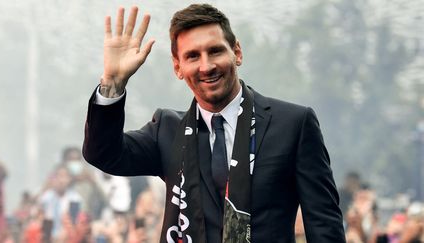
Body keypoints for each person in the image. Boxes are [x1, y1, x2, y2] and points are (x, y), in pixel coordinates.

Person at [82, 3, 346, 242]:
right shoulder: (167, 130)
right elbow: (103, 154)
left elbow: (324, 226)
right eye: (193, 56)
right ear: (178, 67)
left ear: (237, 53)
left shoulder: (293, 125)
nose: (206, 66)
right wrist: (112, 84)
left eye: (215, 51)